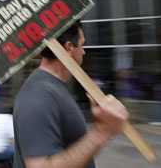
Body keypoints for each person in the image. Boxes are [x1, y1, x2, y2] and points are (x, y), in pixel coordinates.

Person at [13, 21, 129, 168]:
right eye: (82, 45)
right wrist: (102, 132)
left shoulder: (54, 87)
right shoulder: (39, 94)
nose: (84, 51)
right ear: (68, 47)